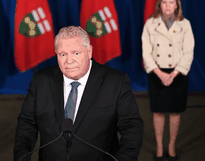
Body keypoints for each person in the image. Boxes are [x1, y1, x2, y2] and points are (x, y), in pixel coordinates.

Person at [14, 26, 143, 161]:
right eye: (63, 54)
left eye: (76, 53)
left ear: (89, 52)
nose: (69, 61)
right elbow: (26, 124)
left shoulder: (116, 82)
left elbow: (132, 127)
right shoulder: (41, 81)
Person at [142, 0, 194, 161]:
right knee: (158, 112)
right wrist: (160, 73)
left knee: (175, 112)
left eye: (171, 2)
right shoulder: (150, 24)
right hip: (156, 73)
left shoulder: (184, 24)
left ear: (177, 5)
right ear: (159, 5)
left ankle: (171, 145)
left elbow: (188, 52)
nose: (168, 6)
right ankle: (159, 146)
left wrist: (173, 74)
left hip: (177, 73)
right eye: (164, 2)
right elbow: (146, 52)